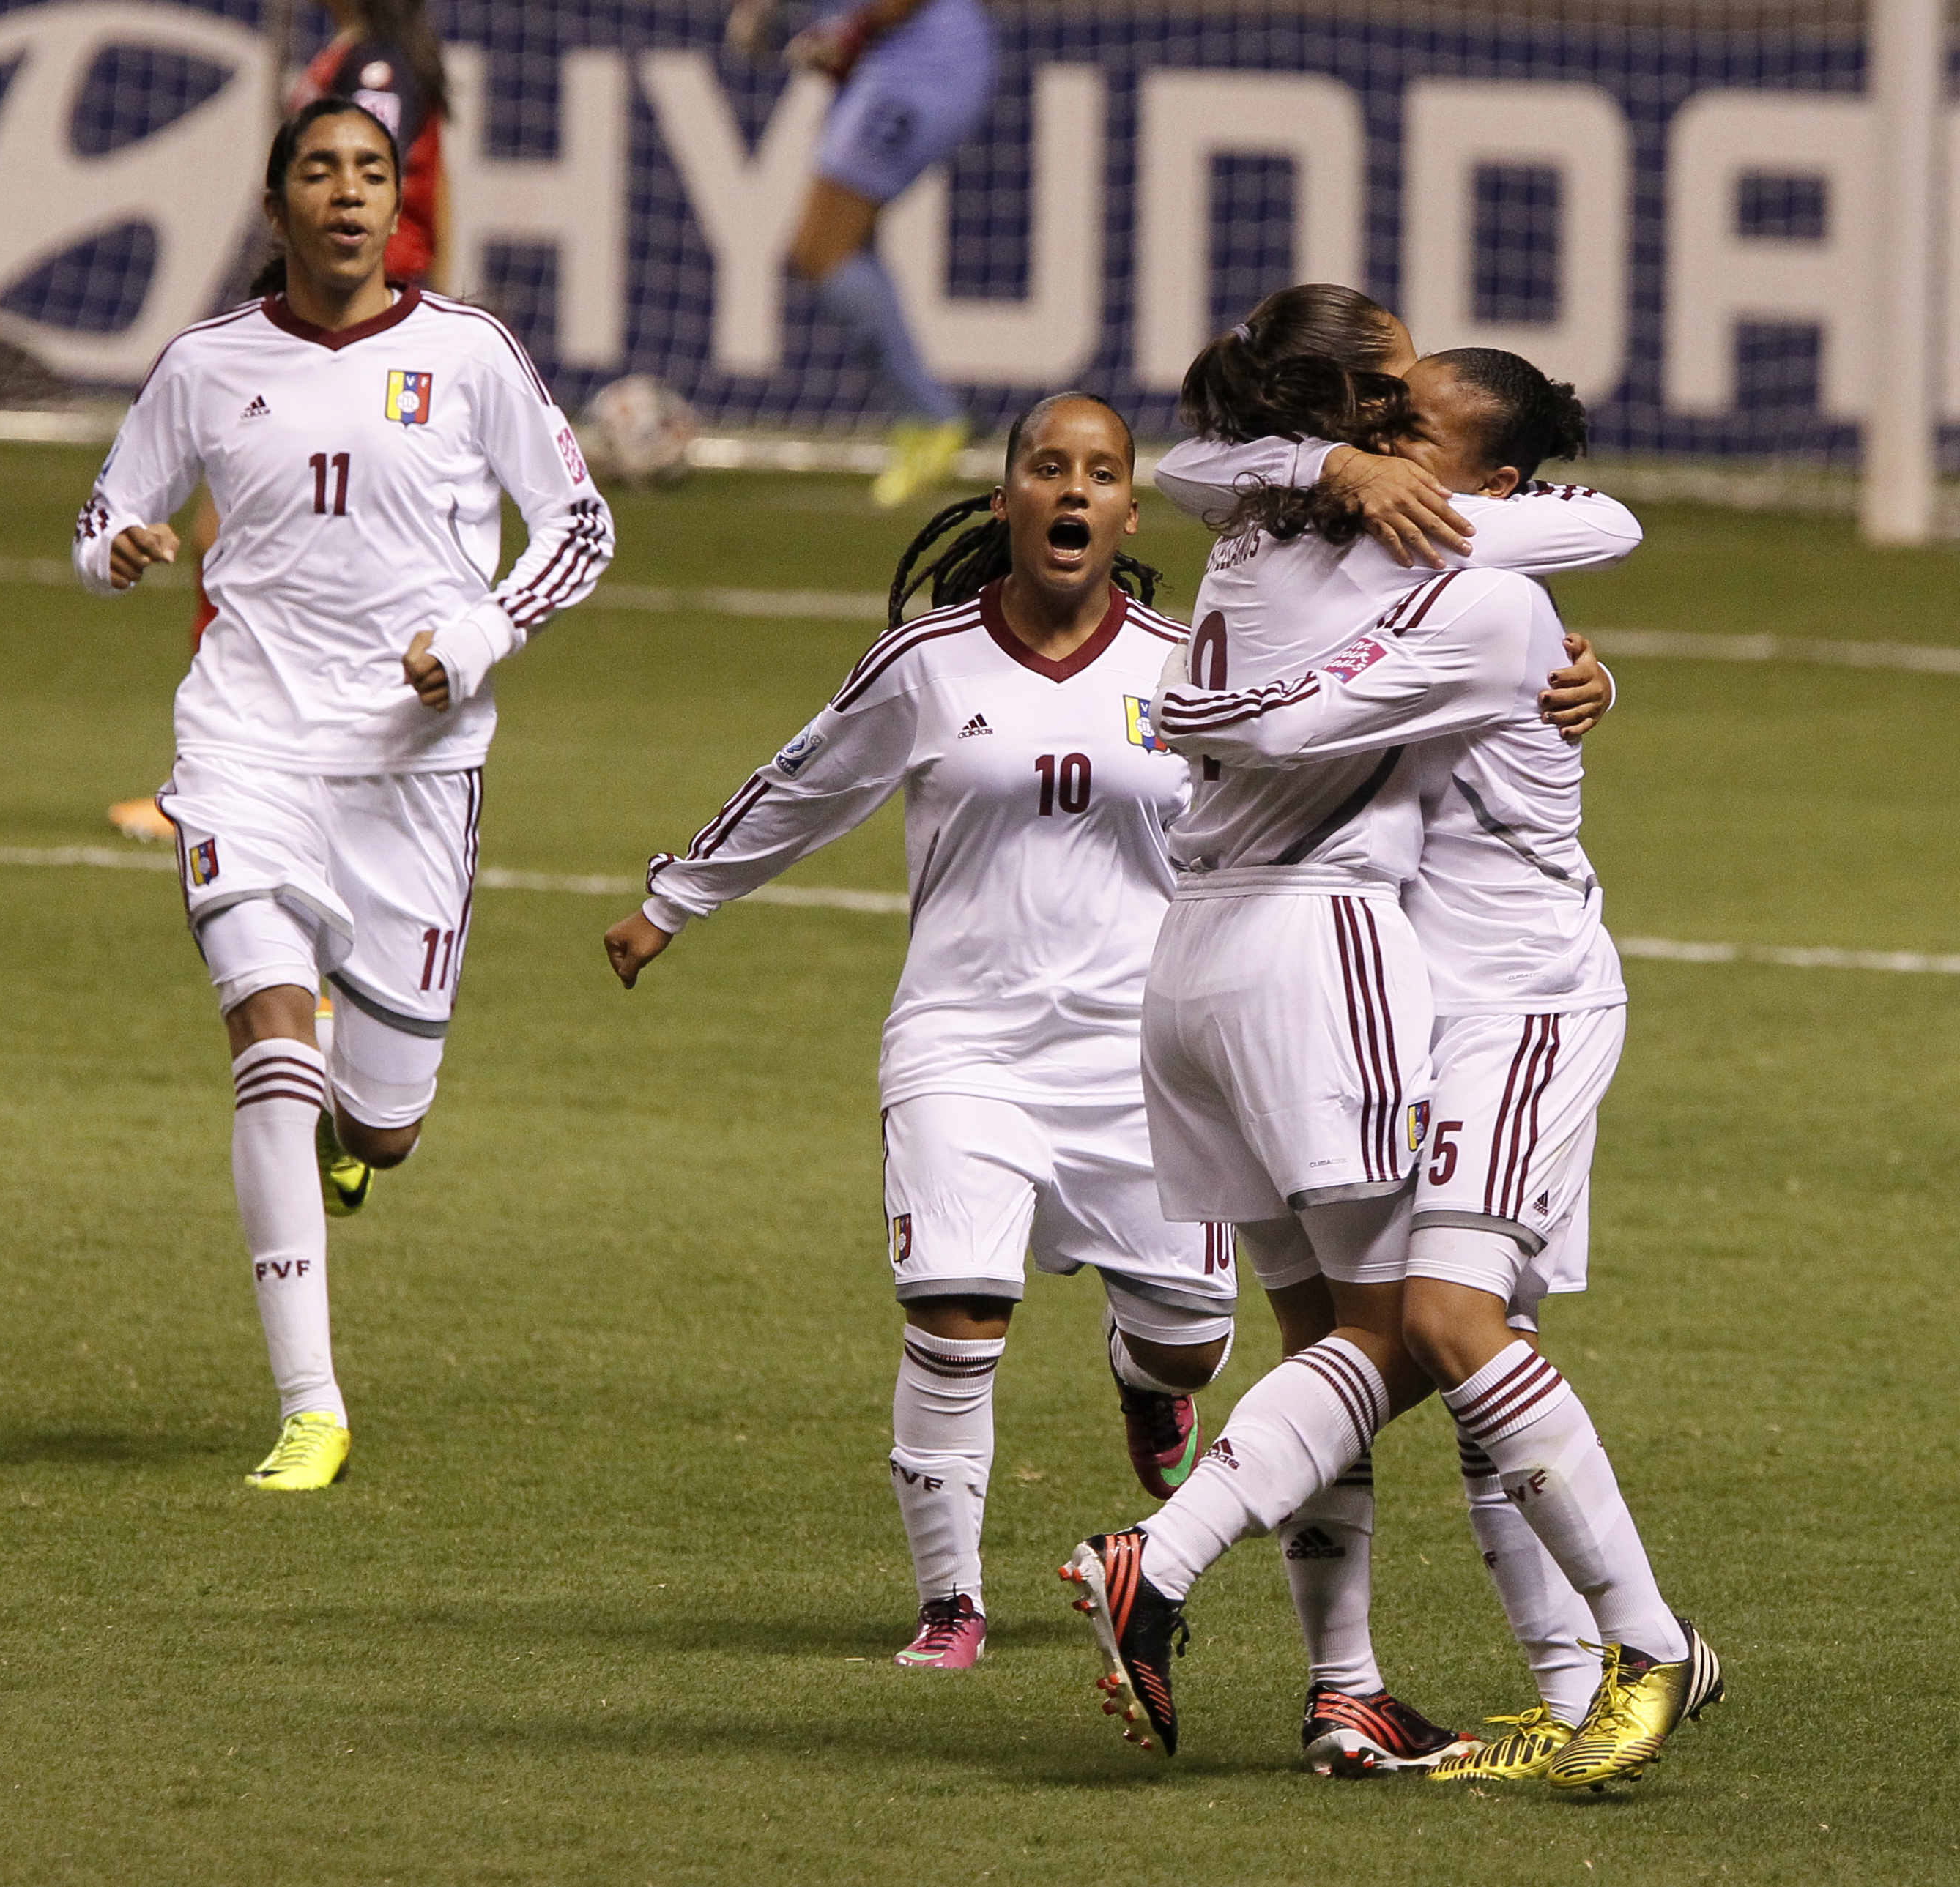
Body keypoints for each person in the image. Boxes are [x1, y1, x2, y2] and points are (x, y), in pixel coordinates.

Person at [1061, 344, 1721, 1793]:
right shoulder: (1385, 557)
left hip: (1517, 1011)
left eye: (1403, 423)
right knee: (1413, 1341)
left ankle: (1642, 1645)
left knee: (1441, 1322)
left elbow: (1292, 721)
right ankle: (1518, 1688)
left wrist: (1179, 709)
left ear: (1481, 483)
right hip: (1411, 1008)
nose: (1368, 433)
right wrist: (1323, 472)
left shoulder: (1487, 606)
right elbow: (1214, 470)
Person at [604, 393, 1239, 1670]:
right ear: (1007, 499)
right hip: (967, 1038)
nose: (1073, 490)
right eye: (1047, 468)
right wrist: (675, 899)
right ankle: (952, 1602)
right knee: (955, 1314)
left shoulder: (1184, 665)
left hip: (1141, 1056)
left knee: (1195, 1333)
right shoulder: (930, 662)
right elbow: (807, 777)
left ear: (1127, 509)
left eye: (1101, 472)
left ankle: (1147, 1373)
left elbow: (1303, 784)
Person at [73, 97, 614, 1491]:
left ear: (396, 205)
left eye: (371, 171)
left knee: (385, 1122)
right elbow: (102, 509)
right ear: (279, 206)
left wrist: (478, 637)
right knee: (266, 1039)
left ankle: (352, 1136)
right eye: (320, 170)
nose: (348, 193)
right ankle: (311, 1403)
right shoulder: (205, 365)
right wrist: (119, 548)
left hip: (415, 774)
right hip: (244, 746)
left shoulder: (469, 352)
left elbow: (580, 525)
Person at [108, 0, 453, 845]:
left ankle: (227, 780)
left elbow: (365, 204)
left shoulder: (373, 67)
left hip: (351, 325)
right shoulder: (369, 57)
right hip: (343, 316)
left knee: (238, 537)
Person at [726, 0, 995, 507]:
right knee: (834, 248)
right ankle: (923, 421)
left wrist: (850, 32)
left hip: (926, 64)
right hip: (900, 62)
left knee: (821, 248)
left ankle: (932, 420)